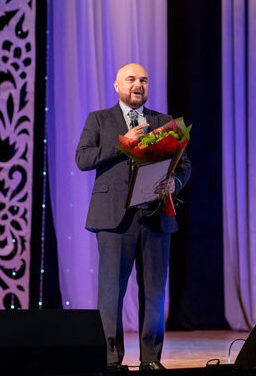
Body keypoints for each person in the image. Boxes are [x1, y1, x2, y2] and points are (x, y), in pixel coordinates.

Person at [75, 63, 191, 371]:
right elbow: (83, 158)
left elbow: (184, 165)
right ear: (117, 85)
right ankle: (111, 359)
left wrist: (175, 183)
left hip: (155, 216)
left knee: (154, 293)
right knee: (111, 292)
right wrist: (122, 143)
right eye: (131, 79)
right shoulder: (99, 119)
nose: (138, 84)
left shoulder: (163, 121)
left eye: (143, 80)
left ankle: (151, 358)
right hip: (114, 218)